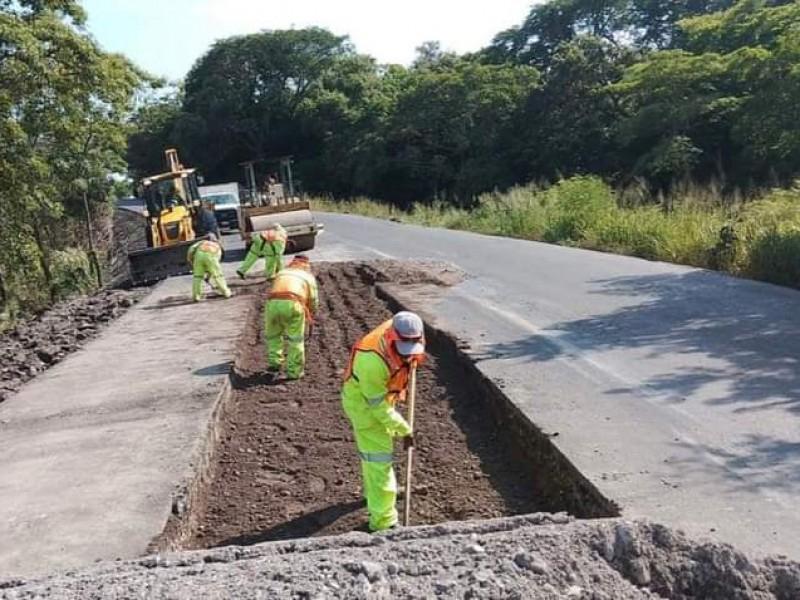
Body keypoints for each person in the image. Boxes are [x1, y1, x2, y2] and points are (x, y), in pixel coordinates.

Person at [341, 312, 426, 532]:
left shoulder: (409, 326)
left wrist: (413, 357)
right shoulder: (371, 361)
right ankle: (383, 522)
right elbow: (378, 408)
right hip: (364, 408)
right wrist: (404, 429)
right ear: (391, 337)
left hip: (379, 399)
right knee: (379, 460)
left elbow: (415, 344)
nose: (406, 354)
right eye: (402, 348)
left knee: (372, 457)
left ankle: (374, 496)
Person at [263, 255, 318, 379]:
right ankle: (294, 372)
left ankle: (274, 363)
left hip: (272, 304)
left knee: (273, 336)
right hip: (293, 304)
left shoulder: (282, 272)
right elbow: (313, 299)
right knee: (295, 339)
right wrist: (312, 312)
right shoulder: (308, 277)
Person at [187, 233, 231, 302]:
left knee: (197, 277)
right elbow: (215, 264)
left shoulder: (200, 243)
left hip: (198, 257)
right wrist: (209, 274)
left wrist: (191, 260)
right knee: (218, 275)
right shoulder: (217, 246)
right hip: (211, 257)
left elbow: (191, 249)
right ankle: (226, 293)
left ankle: (196, 296)